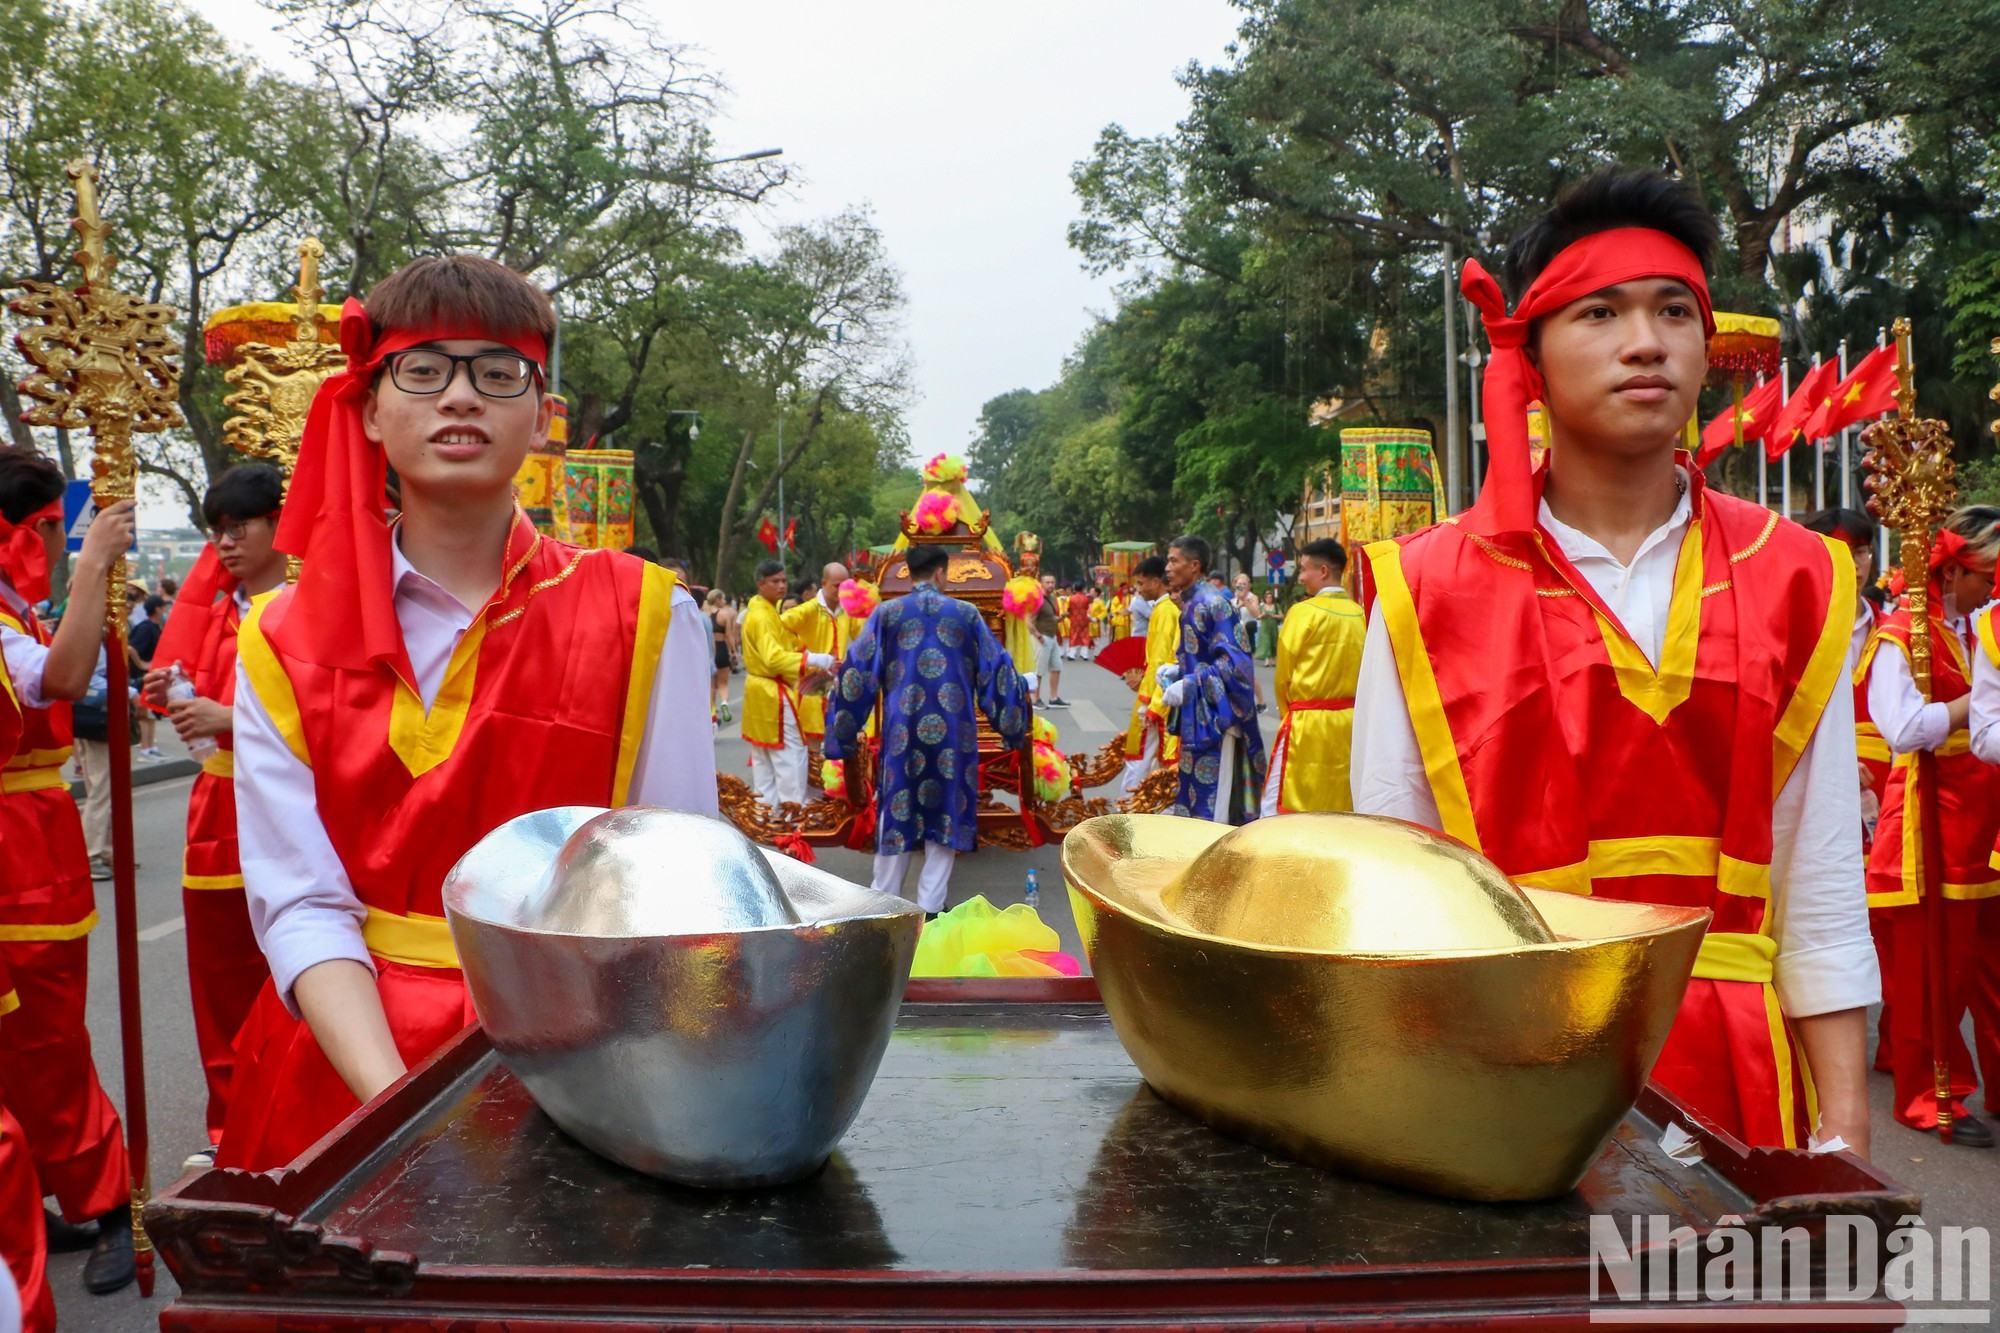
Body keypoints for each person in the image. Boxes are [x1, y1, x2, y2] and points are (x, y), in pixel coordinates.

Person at [1351, 168, 1873, 1156]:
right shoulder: (1427, 591)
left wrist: (1842, 1129)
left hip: (1737, 1079)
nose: (1645, 342)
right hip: (1505, 1080)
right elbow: (1394, 900)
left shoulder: (1797, 575)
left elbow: (1817, 887)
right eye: (1600, 312)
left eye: (1674, 311)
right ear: (1530, 353)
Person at [219, 254, 717, 1173]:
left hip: (581, 1073)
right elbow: (301, 903)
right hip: (347, 1073)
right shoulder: (281, 635)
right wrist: (399, 1109)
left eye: (497, 372)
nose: (460, 396)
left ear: (539, 413)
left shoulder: (647, 614)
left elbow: (674, 893)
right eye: (424, 368)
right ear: (369, 406)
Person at [0, 448, 137, 1293]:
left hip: (25, 853)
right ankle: (35, 1191)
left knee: (45, 1040)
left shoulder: (15, 615)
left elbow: (63, 679)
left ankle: (113, 1198)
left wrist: (91, 572)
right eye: (55, 532)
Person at [138, 464, 289, 1165]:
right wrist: (180, 698)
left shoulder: (311, 607)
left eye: (240, 527)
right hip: (214, 809)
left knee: (292, 974)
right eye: (218, 531)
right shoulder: (212, 612)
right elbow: (186, 713)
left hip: (288, 807)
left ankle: (294, 1121)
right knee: (220, 982)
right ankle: (231, 1131)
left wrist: (230, 716)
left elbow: (341, 718)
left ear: (279, 527)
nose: (226, 543)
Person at [822, 542, 1031, 916]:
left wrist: (843, 731)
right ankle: (930, 909)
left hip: (902, 735)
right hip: (954, 734)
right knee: (946, 813)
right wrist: (1013, 724)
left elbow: (855, 675)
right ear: (940, 573)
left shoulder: (887, 614)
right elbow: (997, 673)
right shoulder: (965, 614)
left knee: (897, 810)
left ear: (910, 573)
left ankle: (882, 904)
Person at [1887, 511, 2000, 1145]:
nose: (1993, 588)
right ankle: (1930, 1096)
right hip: (1934, 822)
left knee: (1993, 966)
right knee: (1937, 971)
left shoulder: (1983, 626)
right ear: (1952, 570)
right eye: (1985, 575)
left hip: (1990, 818)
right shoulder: (1903, 633)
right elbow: (1902, 729)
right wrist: (1977, 702)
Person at [1156, 536, 1265, 822]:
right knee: (1194, 798)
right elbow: (1203, 658)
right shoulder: (1191, 605)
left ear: (1194, 565)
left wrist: (1190, 683)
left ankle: (1216, 863)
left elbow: (1238, 665)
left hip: (1218, 718)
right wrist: (1177, 672)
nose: (1167, 567)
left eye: (1173, 560)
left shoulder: (1215, 604)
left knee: (1215, 806)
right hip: (1198, 716)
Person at [1260, 539, 1365, 814]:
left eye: (1304, 569)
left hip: (1306, 724)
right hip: (1353, 726)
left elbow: (1283, 677)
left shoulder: (1302, 613)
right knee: (1344, 805)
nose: (1301, 577)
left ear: (1323, 571)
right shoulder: (1362, 615)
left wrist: (1289, 715)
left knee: (1285, 808)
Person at [742, 560, 832, 808]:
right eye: (775, 581)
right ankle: (792, 818)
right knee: (789, 758)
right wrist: (813, 658)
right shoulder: (762, 616)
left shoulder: (765, 611)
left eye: (783, 580)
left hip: (761, 690)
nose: (782, 586)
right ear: (761, 584)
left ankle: (768, 818)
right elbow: (773, 658)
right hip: (773, 692)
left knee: (765, 762)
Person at [1120, 556, 1180, 797]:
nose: (1139, 589)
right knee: (1145, 757)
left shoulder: (1165, 611)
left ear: (1157, 582)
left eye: (1141, 583)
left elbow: (1162, 660)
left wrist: (1150, 703)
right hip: (1154, 692)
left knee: (1140, 757)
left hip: (1155, 698)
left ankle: (1126, 811)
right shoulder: (1162, 609)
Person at [782, 561, 853, 748]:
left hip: (838, 686)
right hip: (812, 687)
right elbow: (779, 627)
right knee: (813, 745)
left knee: (838, 743)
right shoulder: (808, 609)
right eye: (836, 585)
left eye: (845, 585)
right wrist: (805, 654)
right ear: (824, 583)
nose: (841, 590)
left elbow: (865, 632)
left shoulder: (847, 609)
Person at [130, 597, 165, 759]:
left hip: (152, 674)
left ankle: (151, 747)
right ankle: (145, 748)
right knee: (145, 713)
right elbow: (130, 647)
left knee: (151, 713)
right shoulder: (145, 628)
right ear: (157, 609)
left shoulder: (155, 627)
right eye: (162, 606)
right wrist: (142, 663)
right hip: (143, 676)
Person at [1231, 572, 1269, 711]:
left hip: (1248, 636)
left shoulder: (1252, 598)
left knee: (1248, 670)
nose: (1241, 587)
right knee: (1236, 669)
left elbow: (1256, 614)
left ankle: (1261, 702)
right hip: (1235, 636)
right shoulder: (1232, 600)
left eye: (1244, 584)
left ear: (1249, 586)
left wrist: (1244, 601)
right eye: (1238, 584)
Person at [703, 588, 735, 723]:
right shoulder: (724, 614)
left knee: (711, 684)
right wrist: (733, 651)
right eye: (722, 598)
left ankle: (712, 710)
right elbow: (729, 635)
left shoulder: (704, 614)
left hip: (708, 650)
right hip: (721, 648)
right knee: (723, 683)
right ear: (717, 600)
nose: (724, 601)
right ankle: (724, 703)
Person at [1032, 572, 1064, 707]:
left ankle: (1053, 697)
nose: (1050, 585)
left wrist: (1059, 619)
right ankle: (1036, 698)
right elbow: (1029, 620)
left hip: (1052, 635)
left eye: (1052, 582)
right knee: (1039, 670)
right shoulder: (1037, 599)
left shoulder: (1052, 598)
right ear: (1041, 584)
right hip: (1042, 636)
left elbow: (1049, 616)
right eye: (1048, 582)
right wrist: (1037, 635)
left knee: (1056, 667)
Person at [1065, 584, 1091, 659]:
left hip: (1074, 618)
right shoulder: (1086, 598)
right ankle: (1085, 655)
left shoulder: (1071, 598)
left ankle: (1071, 655)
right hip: (1084, 619)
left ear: (1075, 589)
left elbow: (1069, 609)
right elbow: (1086, 608)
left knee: (1074, 635)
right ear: (1082, 589)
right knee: (1085, 635)